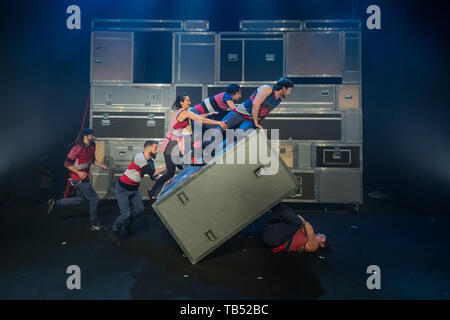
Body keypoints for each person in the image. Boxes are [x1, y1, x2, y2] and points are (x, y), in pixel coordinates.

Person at [147, 93, 228, 201]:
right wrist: (220, 122)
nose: (190, 102)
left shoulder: (182, 112)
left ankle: (189, 160)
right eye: (187, 101)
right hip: (171, 145)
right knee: (170, 173)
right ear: (181, 102)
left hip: (175, 142)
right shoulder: (184, 113)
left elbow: (198, 117)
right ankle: (152, 190)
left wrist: (209, 114)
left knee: (195, 138)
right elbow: (200, 120)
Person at [47, 128, 108, 231]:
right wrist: (79, 173)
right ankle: (95, 224)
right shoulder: (77, 147)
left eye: (93, 135)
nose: (93, 137)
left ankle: (55, 203)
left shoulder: (93, 145)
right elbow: (66, 164)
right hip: (78, 178)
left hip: (84, 177)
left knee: (80, 199)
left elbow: (92, 160)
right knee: (94, 199)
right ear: (86, 136)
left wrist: (102, 165)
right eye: (91, 135)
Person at [110, 140, 166, 246]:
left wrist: (165, 179)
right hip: (122, 189)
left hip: (134, 190)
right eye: (155, 148)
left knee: (140, 209)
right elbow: (152, 172)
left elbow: (153, 176)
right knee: (125, 214)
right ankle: (115, 231)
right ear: (148, 149)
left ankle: (127, 224)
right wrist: (169, 167)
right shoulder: (139, 157)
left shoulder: (150, 162)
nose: (157, 151)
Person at [189, 84, 242, 164]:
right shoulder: (227, 96)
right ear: (235, 92)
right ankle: (189, 153)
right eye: (239, 93)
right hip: (197, 113)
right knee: (202, 138)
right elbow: (234, 110)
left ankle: (198, 157)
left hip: (199, 113)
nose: (240, 96)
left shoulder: (224, 96)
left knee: (202, 138)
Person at [219, 78, 294, 133]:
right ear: (283, 88)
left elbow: (264, 113)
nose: (290, 93)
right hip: (239, 113)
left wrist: (258, 125)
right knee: (219, 131)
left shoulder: (277, 101)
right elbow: (256, 105)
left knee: (240, 135)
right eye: (289, 90)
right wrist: (256, 123)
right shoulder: (268, 89)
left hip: (250, 119)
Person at [261, 203, 328, 253]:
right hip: (272, 230)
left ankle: (274, 205)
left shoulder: (313, 247)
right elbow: (299, 216)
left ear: (322, 245)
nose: (319, 233)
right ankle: (275, 203)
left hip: (272, 239)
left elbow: (307, 225)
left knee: (298, 222)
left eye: (321, 236)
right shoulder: (307, 236)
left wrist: (302, 225)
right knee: (293, 214)